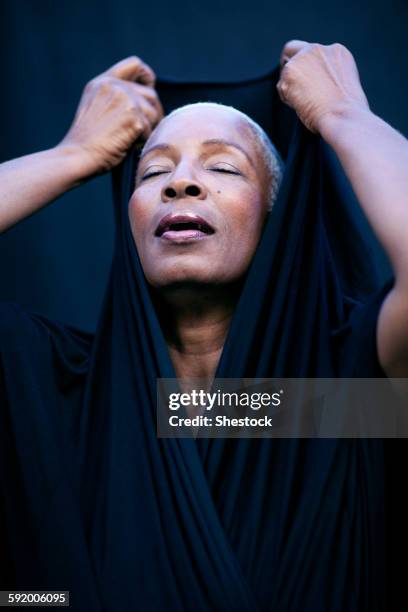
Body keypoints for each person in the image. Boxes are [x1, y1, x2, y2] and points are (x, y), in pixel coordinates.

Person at [0, 40, 407, 611]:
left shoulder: (347, 399)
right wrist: (74, 156)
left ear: (278, 220)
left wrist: (344, 115)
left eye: (223, 167)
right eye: (155, 171)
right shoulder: (63, 392)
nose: (180, 183)